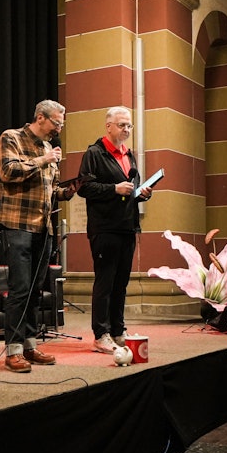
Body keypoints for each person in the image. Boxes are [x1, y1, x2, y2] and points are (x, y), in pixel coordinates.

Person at [0, 100, 79, 372]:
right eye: (57, 123)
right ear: (40, 117)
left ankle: (29, 345)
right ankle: (13, 350)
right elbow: (8, 171)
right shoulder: (11, 137)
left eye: (62, 124)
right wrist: (43, 160)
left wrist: (69, 191)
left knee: (35, 291)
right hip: (17, 224)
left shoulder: (48, 148)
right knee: (20, 288)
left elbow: (51, 190)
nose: (59, 129)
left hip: (43, 227)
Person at [77, 107, 152, 354]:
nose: (126, 129)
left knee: (121, 283)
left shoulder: (129, 155)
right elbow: (83, 188)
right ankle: (101, 334)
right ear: (108, 126)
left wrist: (142, 194)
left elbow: (131, 189)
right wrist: (114, 189)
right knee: (105, 282)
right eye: (122, 125)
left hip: (127, 227)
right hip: (105, 227)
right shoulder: (94, 153)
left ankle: (118, 331)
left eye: (129, 125)